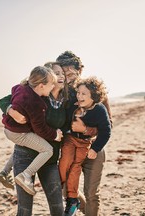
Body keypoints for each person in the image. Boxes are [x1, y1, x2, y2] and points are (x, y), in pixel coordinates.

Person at [0, 62, 67, 215]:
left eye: (62, 73)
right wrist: (11, 111)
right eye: (56, 73)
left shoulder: (67, 101)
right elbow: (4, 101)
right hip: (24, 155)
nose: (59, 76)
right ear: (44, 82)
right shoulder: (35, 97)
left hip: (49, 161)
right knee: (24, 210)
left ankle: (5, 171)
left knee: (58, 208)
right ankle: (13, 173)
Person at [57, 51, 113, 216]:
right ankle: (82, 207)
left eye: (70, 72)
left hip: (94, 147)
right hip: (70, 147)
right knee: (67, 189)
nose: (67, 76)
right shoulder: (60, 93)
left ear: (80, 70)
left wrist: (85, 130)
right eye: (63, 72)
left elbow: (108, 125)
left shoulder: (94, 91)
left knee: (92, 194)